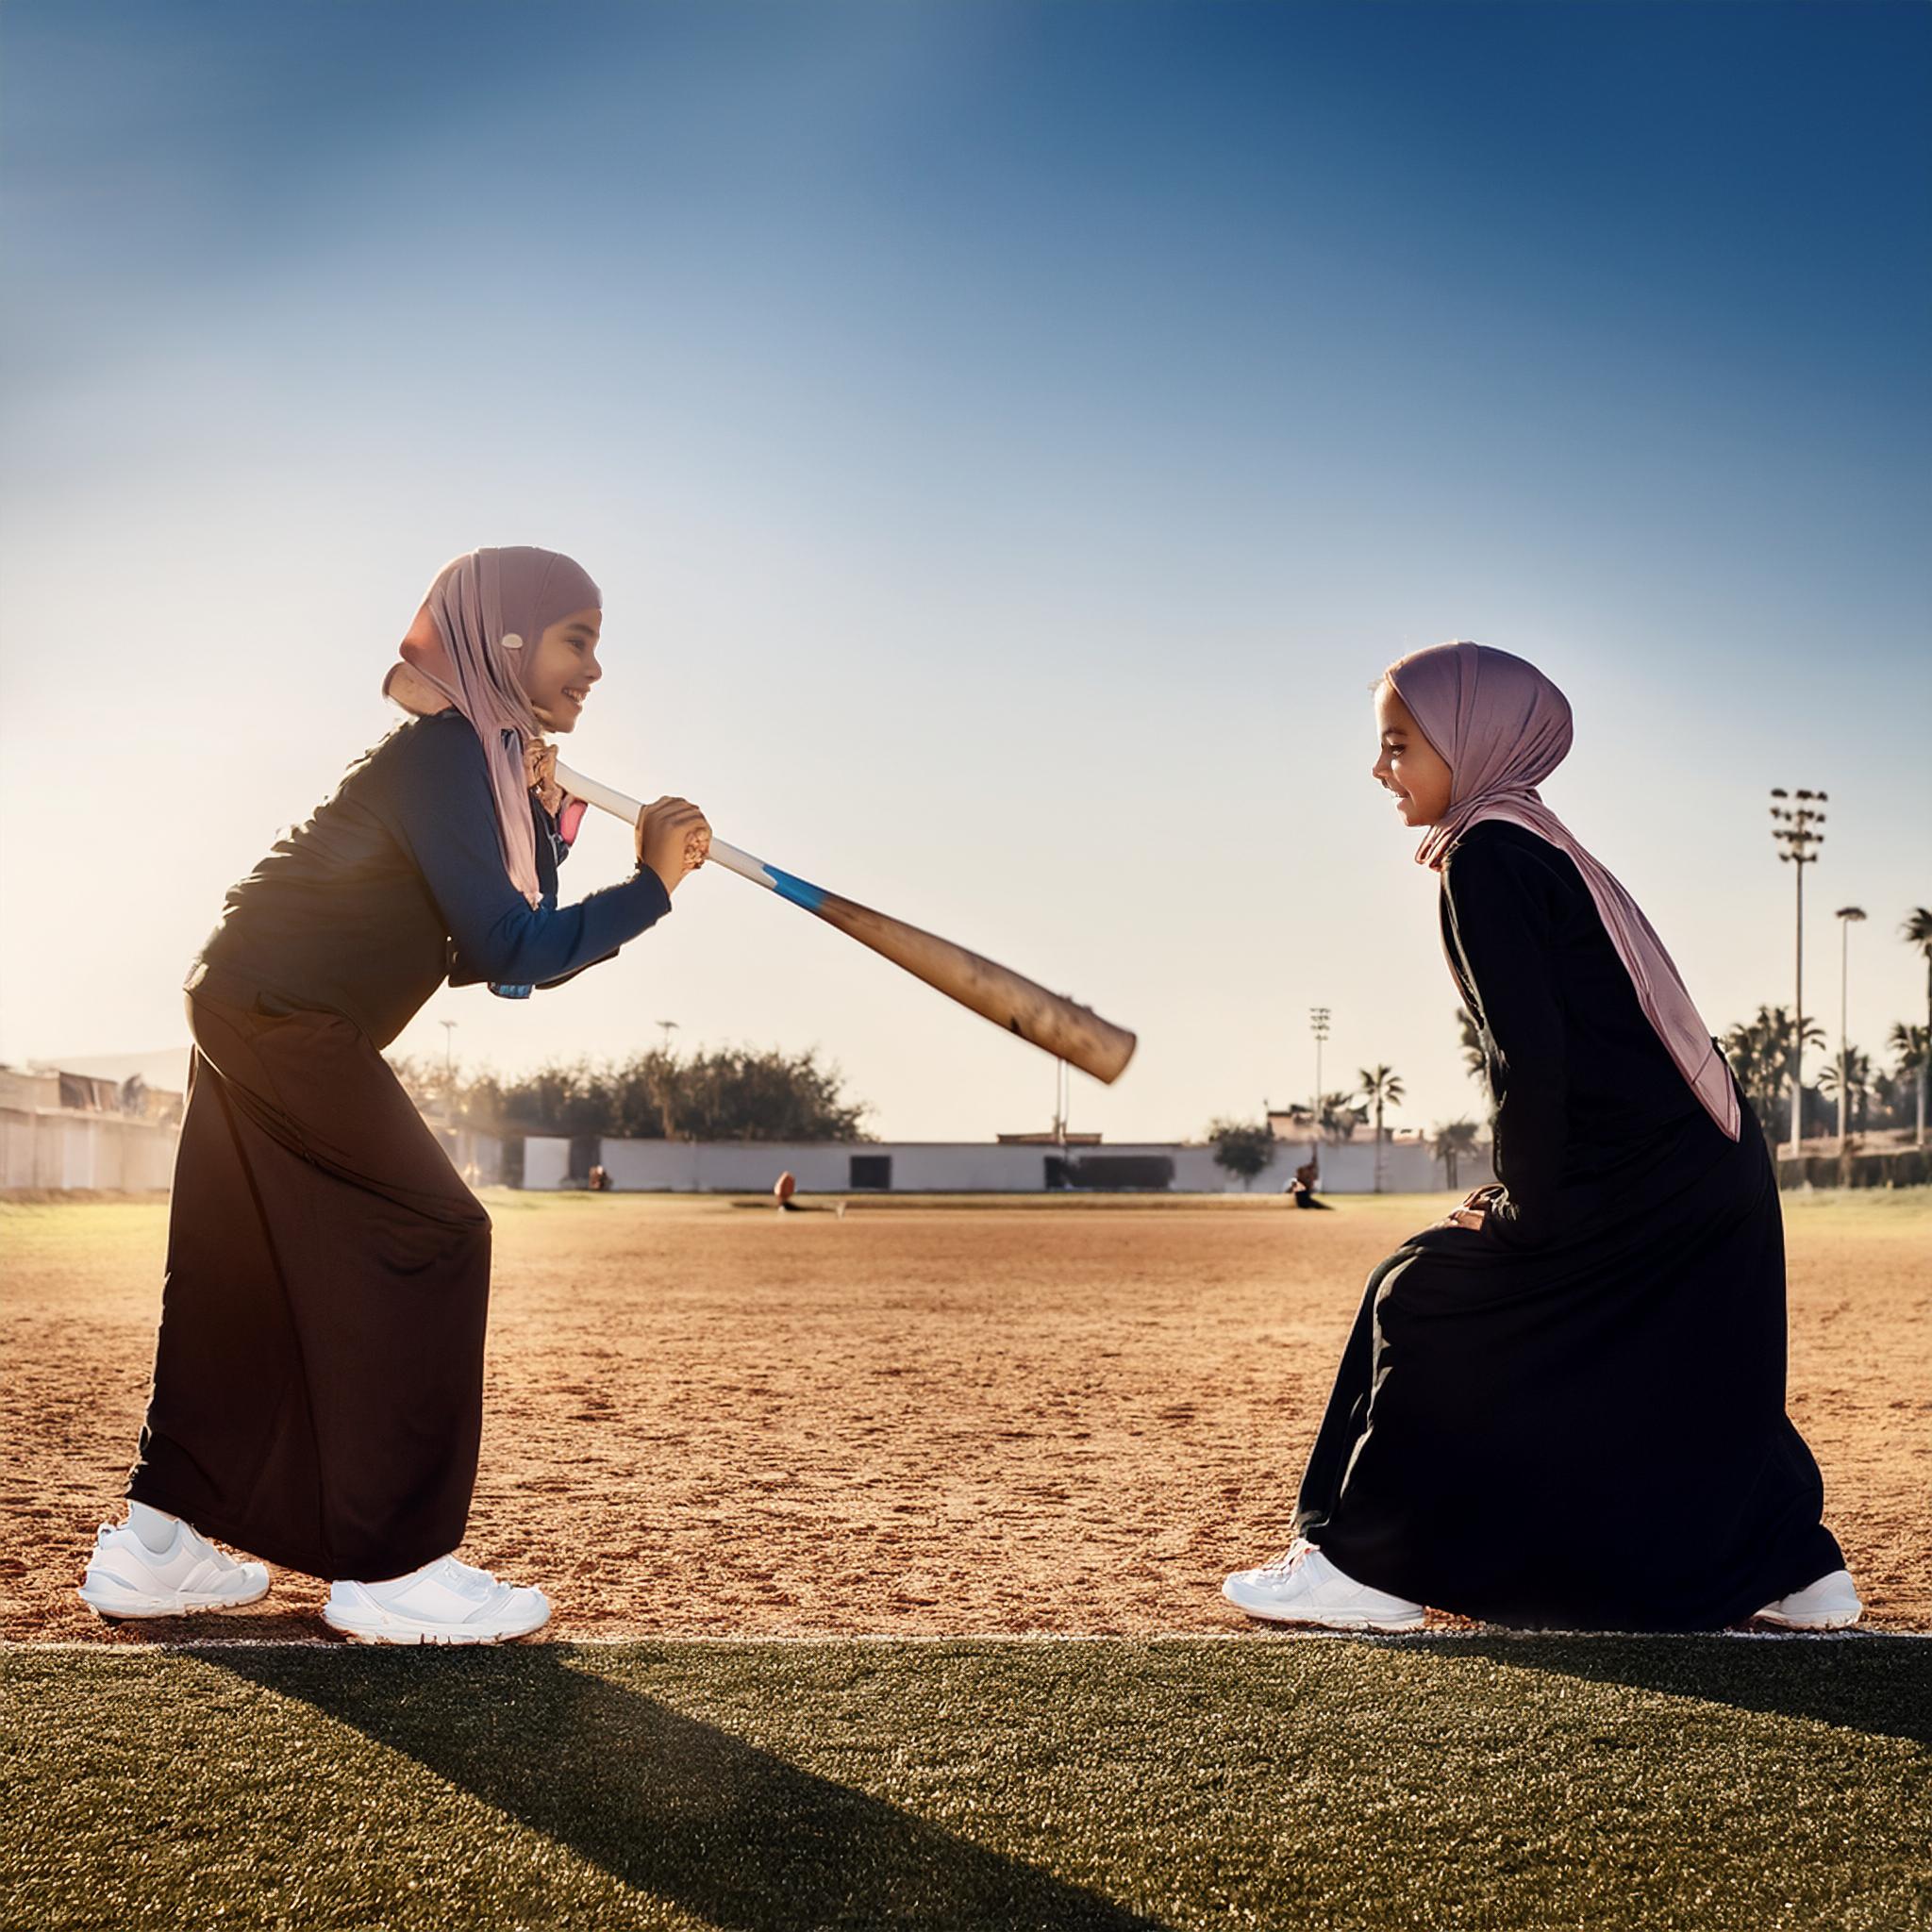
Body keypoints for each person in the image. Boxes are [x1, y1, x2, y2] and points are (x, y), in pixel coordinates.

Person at [77, 546, 711, 1645]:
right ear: (505, 643)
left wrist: (555, 832)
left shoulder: (479, 762)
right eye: (576, 638)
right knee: (436, 1231)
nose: (595, 667)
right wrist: (650, 884)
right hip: (281, 1012)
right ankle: (391, 1565)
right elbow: (516, 940)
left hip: (247, 999)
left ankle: (155, 1544)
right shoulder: (448, 754)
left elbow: (499, 961)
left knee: (239, 1272)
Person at [1224, 641, 1857, 1633]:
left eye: (1397, 744)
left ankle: (1362, 1568)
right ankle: (1793, 1567)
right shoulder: (1534, 841)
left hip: (1646, 1172)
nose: (1378, 767)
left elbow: (1531, 1053)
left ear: (1465, 744)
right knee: (1678, 1350)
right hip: (1703, 1164)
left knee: (1420, 1289)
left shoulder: (1485, 854)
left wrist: (1520, 1205)